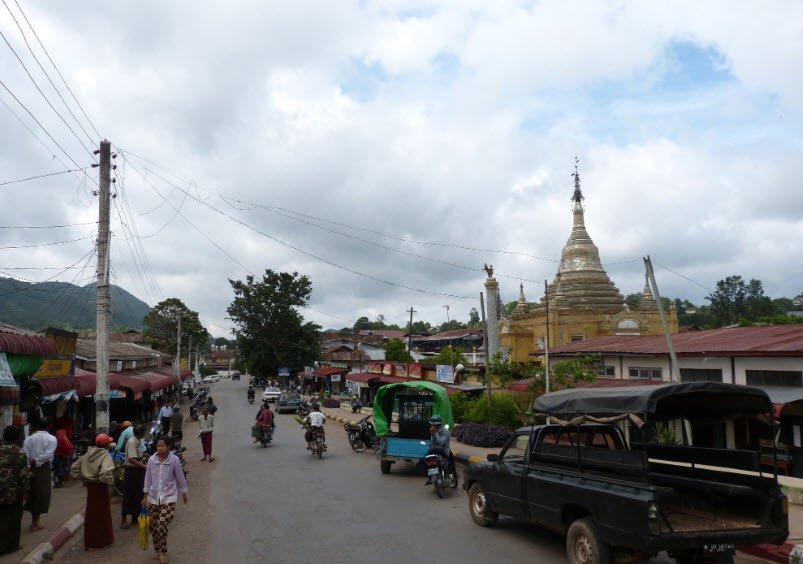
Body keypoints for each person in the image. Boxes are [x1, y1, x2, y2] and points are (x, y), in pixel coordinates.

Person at [142, 436, 188, 564]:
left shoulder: (174, 460)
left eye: (162, 445)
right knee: (154, 527)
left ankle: (163, 552)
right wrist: (145, 496)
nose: (159, 448)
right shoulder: (152, 460)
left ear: (169, 446)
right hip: (153, 498)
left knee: (161, 525)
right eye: (158, 446)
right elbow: (148, 479)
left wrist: (184, 493)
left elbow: (180, 477)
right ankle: (158, 551)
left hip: (169, 497)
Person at [70, 433, 115, 550]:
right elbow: (105, 473)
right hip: (101, 487)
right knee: (103, 515)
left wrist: (84, 479)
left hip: (91, 487)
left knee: (91, 515)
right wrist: (108, 483)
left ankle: (90, 542)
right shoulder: (106, 456)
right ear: (106, 446)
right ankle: (103, 542)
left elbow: (74, 468)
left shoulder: (87, 454)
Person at [22, 418, 57, 532]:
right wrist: (36, 461)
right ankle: (35, 523)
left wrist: (29, 464)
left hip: (31, 467)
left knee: (33, 494)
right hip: (42, 468)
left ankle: (35, 521)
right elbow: (48, 455)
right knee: (41, 494)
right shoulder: (52, 439)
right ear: (49, 426)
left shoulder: (29, 438)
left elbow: (25, 454)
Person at [0, 426, 29, 555]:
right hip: (12, 492)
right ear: (17, 438)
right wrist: (24, 492)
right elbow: (23, 476)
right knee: (13, 519)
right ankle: (11, 546)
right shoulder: (19, 453)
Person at [120, 425, 146, 530]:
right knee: (129, 494)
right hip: (132, 471)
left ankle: (135, 517)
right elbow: (132, 459)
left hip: (138, 470)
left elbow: (139, 456)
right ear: (141, 432)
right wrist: (145, 467)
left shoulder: (138, 441)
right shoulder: (132, 441)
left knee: (139, 493)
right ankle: (124, 520)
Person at [424, 415, 454, 485]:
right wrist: (432, 434)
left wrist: (436, 433)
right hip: (435, 450)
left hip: (444, 451)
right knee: (425, 460)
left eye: (432, 425)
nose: (431, 426)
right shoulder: (433, 431)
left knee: (450, 461)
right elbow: (433, 443)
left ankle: (449, 474)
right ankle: (431, 477)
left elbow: (441, 443)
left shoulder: (446, 431)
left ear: (437, 425)